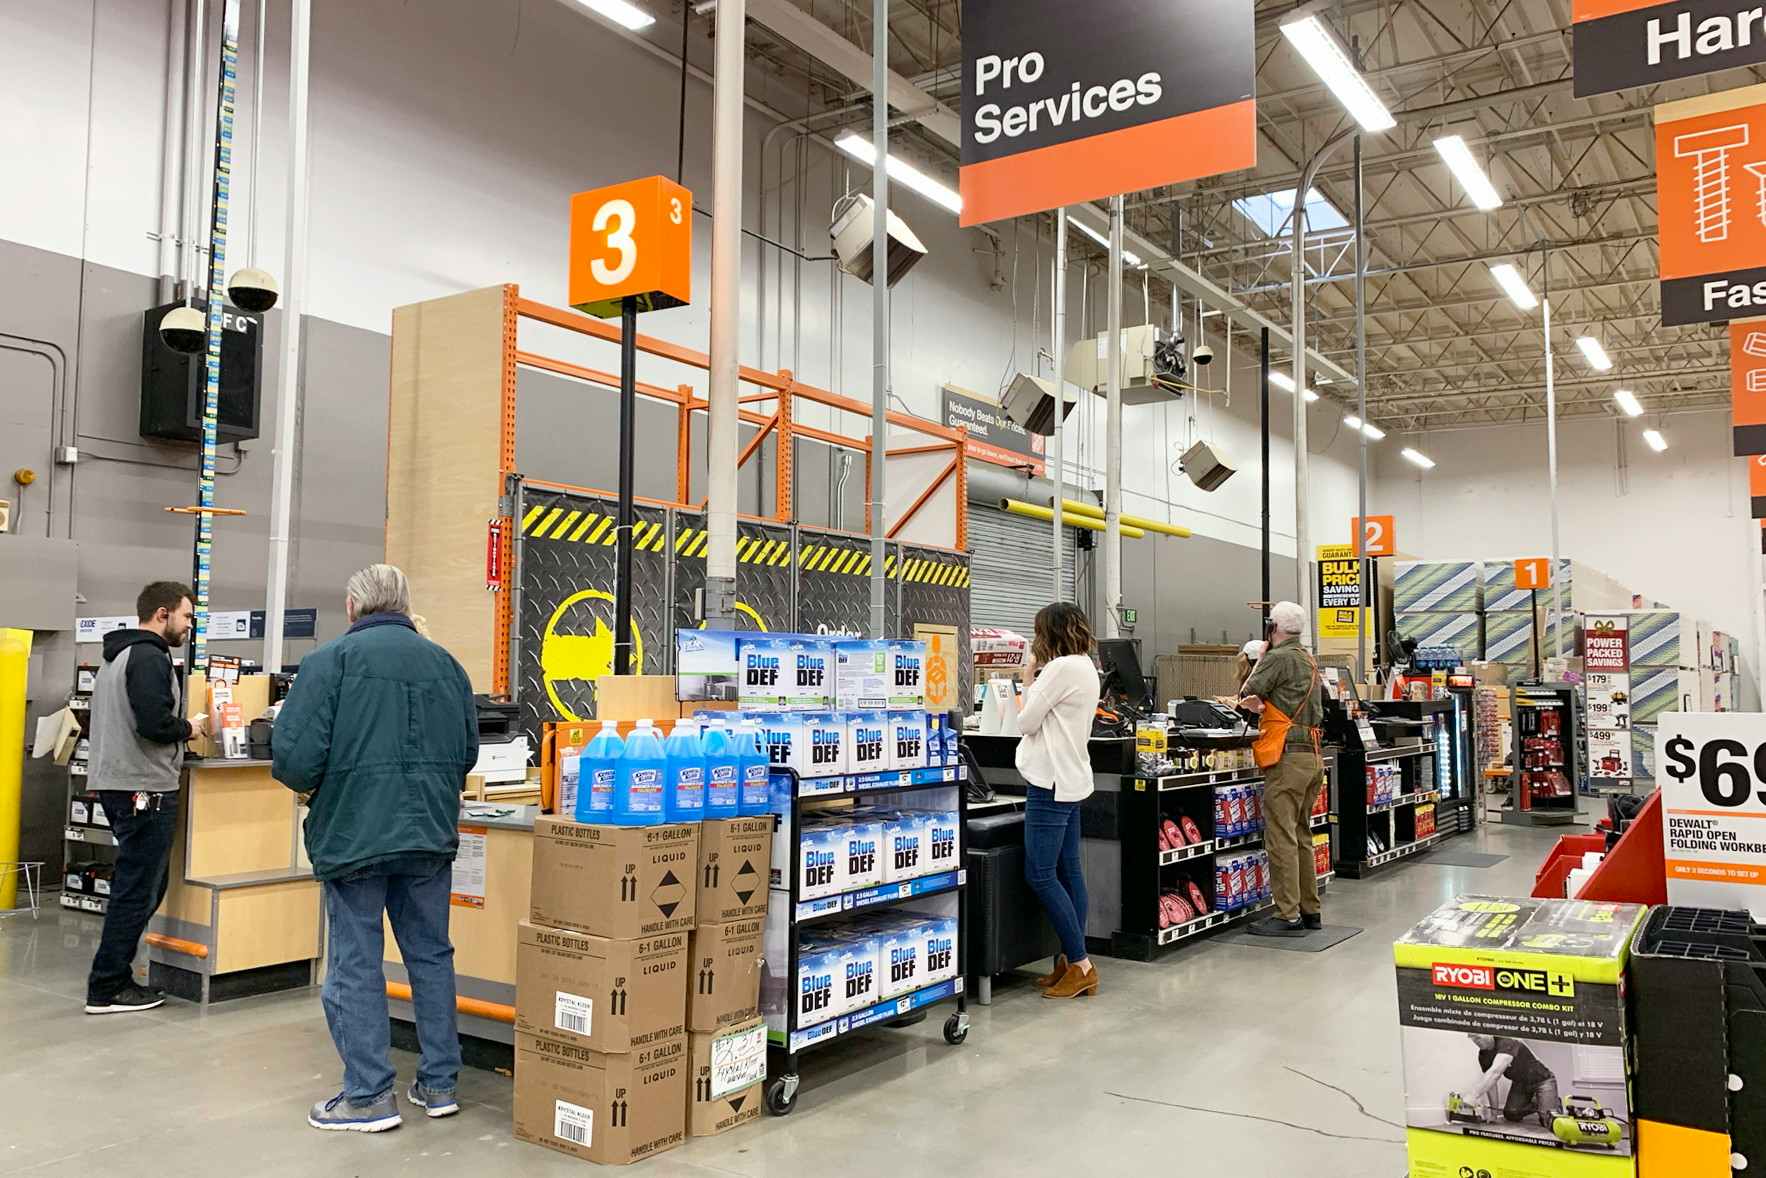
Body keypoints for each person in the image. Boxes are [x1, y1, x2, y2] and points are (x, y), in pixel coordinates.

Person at [273, 564, 478, 1133]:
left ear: (351, 606)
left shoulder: (329, 664)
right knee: (431, 956)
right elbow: (468, 754)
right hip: (429, 836)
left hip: (355, 835)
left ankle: (367, 1095)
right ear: (406, 605)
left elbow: (292, 758)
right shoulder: (447, 664)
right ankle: (439, 1084)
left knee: (356, 962)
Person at [83, 581, 205, 1014]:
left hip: (121, 783)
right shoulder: (151, 657)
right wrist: (189, 728)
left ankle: (115, 977)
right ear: (161, 614)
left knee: (141, 885)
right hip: (145, 787)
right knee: (137, 889)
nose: (189, 625)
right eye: (186, 616)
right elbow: (153, 722)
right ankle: (107, 986)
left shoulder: (116, 658)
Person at [1015, 602, 1103, 999]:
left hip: (1049, 780)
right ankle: (1070, 959)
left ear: (1047, 633)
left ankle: (1082, 964)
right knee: (1069, 872)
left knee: (1040, 874)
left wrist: (1027, 678)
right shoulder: (1085, 666)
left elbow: (1026, 722)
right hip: (1071, 777)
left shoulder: (1058, 668)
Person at [1234, 601, 1325, 937]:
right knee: (1302, 834)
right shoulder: (1306, 658)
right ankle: (1309, 909)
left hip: (1287, 759)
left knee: (1281, 837)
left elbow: (1247, 693)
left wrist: (1260, 659)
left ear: (1273, 627)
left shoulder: (1278, 657)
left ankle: (1287, 915)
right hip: (1312, 757)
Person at [1464, 1034, 1560, 1127]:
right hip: (1520, 1084)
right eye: (1473, 1038)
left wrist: (1473, 1095)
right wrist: (1494, 1114)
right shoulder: (1483, 1056)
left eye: (1478, 1037)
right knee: (1511, 1114)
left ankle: (1554, 1102)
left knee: (1546, 1121)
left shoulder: (1507, 1041)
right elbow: (1491, 1085)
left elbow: (1495, 1073)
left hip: (1542, 1081)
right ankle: (1541, 1102)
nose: (1476, 1041)